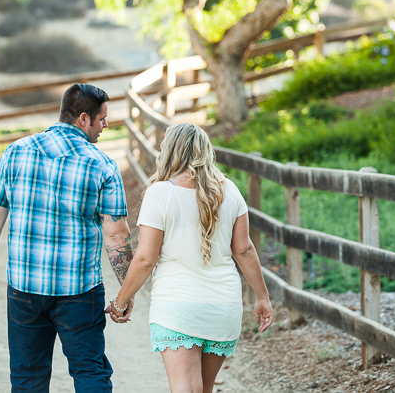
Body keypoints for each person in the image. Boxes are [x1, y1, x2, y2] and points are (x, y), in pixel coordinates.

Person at [0, 83, 134, 393]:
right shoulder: (102, 166)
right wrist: (127, 290)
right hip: (80, 292)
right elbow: (116, 236)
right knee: (89, 372)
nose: (105, 125)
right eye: (102, 119)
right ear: (83, 119)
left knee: (28, 377)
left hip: (24, 288)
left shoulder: (16, 152)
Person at [108, 122, 273, 393]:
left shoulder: (160, 194)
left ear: (169, 152)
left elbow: (145, 259)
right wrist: (263, 297)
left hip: (177, 307)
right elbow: (244, 250)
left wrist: (121, 300)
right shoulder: (229, 190)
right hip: (222, 306)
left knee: (185, 388)